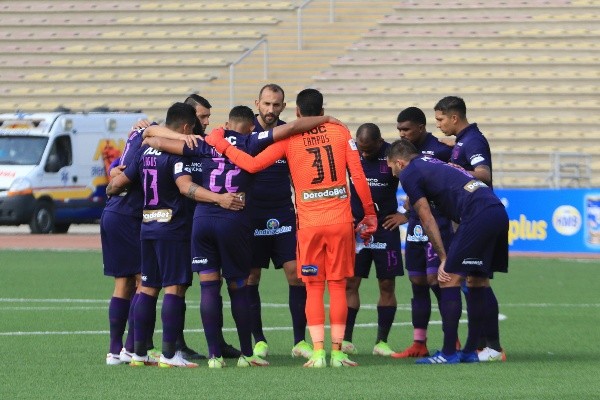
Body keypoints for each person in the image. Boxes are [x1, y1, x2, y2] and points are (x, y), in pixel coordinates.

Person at [143, 105, 341, 368]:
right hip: (233, 219)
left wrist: (163, 139)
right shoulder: (251, 141)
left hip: (202, 219)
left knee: (208, 287)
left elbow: (155, 140)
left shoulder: (205, 142)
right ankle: (247, 354)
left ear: (227, 124)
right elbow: (293, 127)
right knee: (238, 286)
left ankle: (214, 357)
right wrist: (326, 118)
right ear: (250, 127)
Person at [205, 89, 378, 368]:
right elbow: (358, 176)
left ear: (296, 112)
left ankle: (318, 353)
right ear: (322, 111)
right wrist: (369, 213)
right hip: (340, 221)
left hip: (309, 224)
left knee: (312, 286)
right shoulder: (341, 132)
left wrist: (221, 144)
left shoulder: (289, 137)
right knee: (337, 286)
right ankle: (337, 353)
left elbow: (252, 164)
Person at [106, 103, 243, 368]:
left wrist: (111, 186)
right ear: (186, 127)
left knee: (147, 287)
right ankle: (170, 355)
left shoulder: (145, 150)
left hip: (147, 225)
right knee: (174, 288)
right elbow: (185, 187)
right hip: (172, 227)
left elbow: (118, 183)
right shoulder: (178, 155)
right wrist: (219, 199)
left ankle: (138, 353)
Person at [386, 139, 509, 364]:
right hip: (496, 211)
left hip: (477, 214)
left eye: (392, 167)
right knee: (476, 281)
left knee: (448, 278)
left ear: (400, 163)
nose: (393, 173)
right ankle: (470, 351)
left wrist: (444, 257)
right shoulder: (432, 162)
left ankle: (448, 353)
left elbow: (426, 218)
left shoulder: (409, 172)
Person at [434, 96, 505, 361]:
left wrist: (454, 170)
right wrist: (452, 148)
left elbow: (483, 174)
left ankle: (493, 347)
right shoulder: (464, 140)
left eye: (440, 119)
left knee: (477, 280)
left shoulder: (473, 140)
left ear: (454, 117)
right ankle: (484, 346)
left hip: (478, 217)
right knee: (475, 280)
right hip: (469, 218)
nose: (438, 124)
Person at [247, 84, 312, 360]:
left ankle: (299, 341)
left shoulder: (289, 133)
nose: (271, 109)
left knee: (296, 274)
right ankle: (259, 341)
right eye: (266, 104)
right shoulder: (244, 132)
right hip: (251, 214)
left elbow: (299, 175)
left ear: (284, 107)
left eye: (276, 105)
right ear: (257, 103)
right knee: (251, 276)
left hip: (283, 213)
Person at [392, 107, 455, 358]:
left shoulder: (441, 150)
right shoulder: (402, 153)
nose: (402, 133)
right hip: (416, 224)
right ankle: (419, 342)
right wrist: (406, 214)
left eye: (406, 129)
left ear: (420, 127)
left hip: (437, 222)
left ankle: (452, 340)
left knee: (436, 280)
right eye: (399, 129)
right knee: (417, 281)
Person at [341, 123, 404, 357]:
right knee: (351, 283)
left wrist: (405, 215)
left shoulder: (393, 155)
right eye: (361, 149)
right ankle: (346, 340)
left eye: (369, 149)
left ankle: (382, 342)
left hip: (385, 228)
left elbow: (418, 185)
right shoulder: (351, 154)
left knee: (387, 284)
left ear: (379, 142)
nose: (364, 154)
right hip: (357, 228)